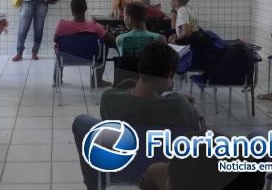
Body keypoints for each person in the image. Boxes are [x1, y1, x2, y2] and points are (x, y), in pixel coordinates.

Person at [73, 42, 202, 190]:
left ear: (140, 67)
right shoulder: (179, 105)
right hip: (164, 175)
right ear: (170, 76)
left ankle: (95, 185)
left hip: (119, 170)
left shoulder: (109, 100)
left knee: (80, 122)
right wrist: (177, 98)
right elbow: (200, 131)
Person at [53, 0, 115, 88]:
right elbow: (112, 41)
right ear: (86, 9)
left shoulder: (62, 25)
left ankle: (57, 79)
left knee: (60, 48)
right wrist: (106, 32)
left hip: (66, 58)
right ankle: (97, 80)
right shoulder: (95, 26)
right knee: (104, 45)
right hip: (89, 58)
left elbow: (55, 40)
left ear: (71, 10)